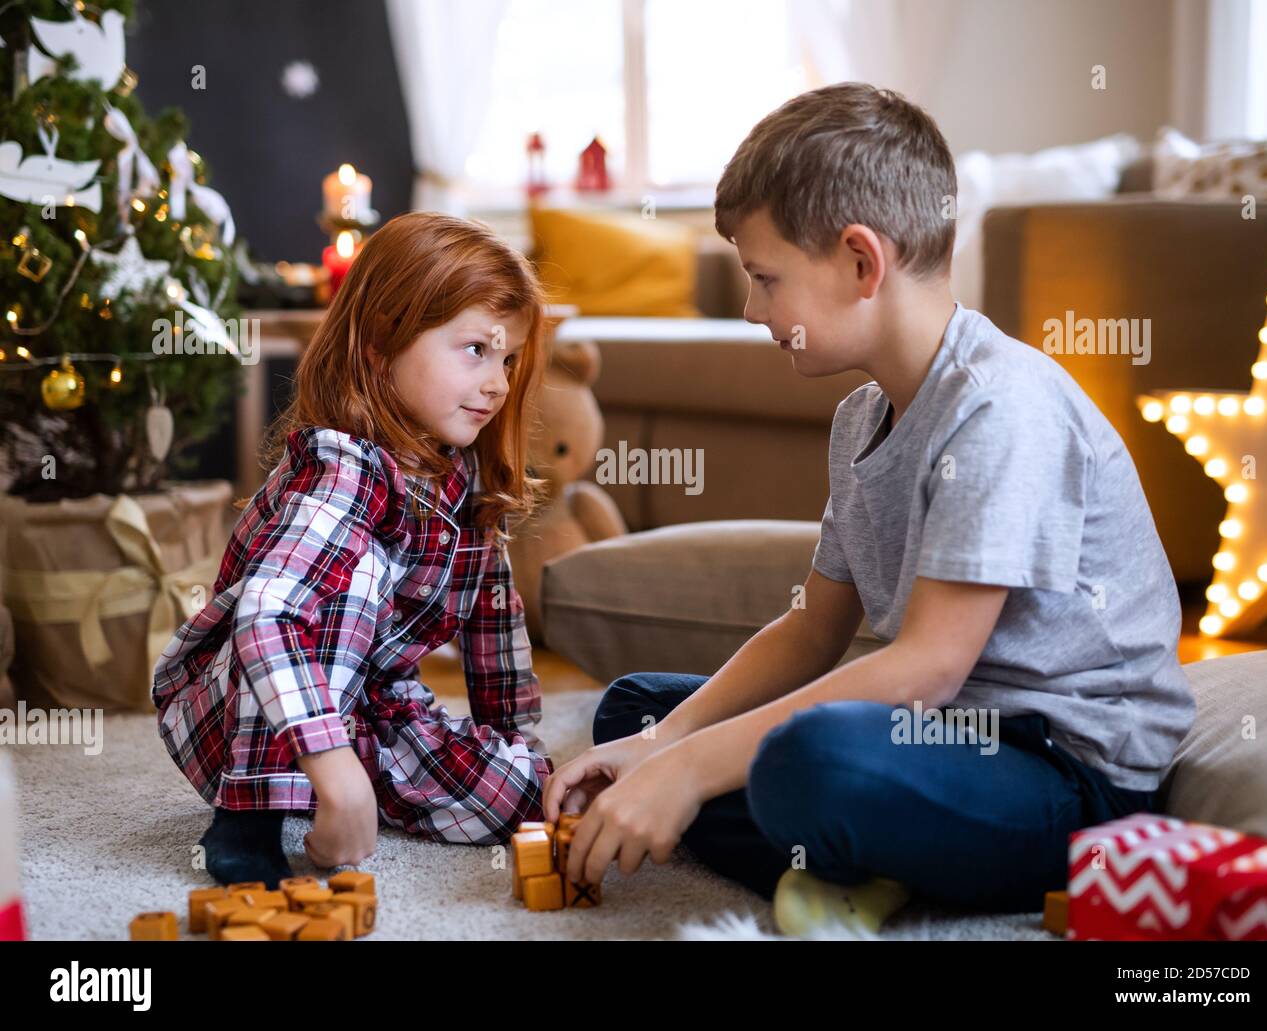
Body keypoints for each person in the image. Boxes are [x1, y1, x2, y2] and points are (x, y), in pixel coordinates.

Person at [543, 83, 1196, 937]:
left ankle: (855, 846)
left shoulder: (1000, 407)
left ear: (860, 261)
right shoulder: (861, 418)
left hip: (1067, 778)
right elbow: (812, 628)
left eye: (764, 278)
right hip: (936, 742)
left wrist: (695, 768)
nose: (751, 310)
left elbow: (927, 667)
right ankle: (871, 859)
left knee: (804, 762)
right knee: (634, 712)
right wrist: (671, 745)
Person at [153, 212, 552, 886]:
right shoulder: (341, 468)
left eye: (508, 359)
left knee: (520, 794)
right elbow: (267, 615)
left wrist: (520, 753)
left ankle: (348, 784)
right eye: (476, 351)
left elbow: (493, 621)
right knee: (355, 573)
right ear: (380, 345)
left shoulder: (464, 476)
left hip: (367, 703)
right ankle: (251, 812)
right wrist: (337, 778)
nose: (497, 383)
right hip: (240, 701)